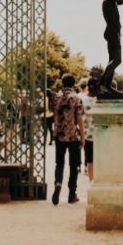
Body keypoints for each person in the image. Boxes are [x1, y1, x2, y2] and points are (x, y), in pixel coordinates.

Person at [51, 73, 84, 205]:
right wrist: (82, 136)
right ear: (73, 83)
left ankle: (58, 183)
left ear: (62, 83)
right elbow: (80, 118)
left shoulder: (56, 97)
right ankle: (72, 193)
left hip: (59, 134)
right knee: (73, 165)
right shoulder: (76, 98)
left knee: (59, 164)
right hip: (72, 135)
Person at [81, 77, 99, 181]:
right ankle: (97, 180)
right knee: (99, 160)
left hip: (87, 134)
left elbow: (79, 117)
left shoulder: (83, 100)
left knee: (90, 160)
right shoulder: (101, 100)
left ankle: (91, 182)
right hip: (101, 134)